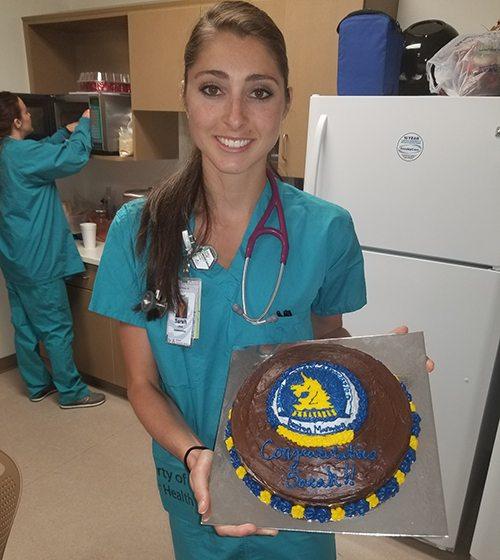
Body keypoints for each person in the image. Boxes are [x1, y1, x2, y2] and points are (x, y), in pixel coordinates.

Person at [89, 2, 433, 558]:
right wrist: (196, 455)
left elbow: (328, 346)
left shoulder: (327, 230)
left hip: (300, 482)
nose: (234, 119)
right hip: (192, 483)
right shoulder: (139, 232)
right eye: (212, 89)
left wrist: (382, 370)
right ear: (185, 94)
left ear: (286, 104)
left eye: (260, 91)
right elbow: (142, 385)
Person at [0, 91, 105, 409]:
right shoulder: (20, 155)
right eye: (25, 111)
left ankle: (36, 385)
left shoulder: (8, 151)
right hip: (39, 259)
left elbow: (38, 153)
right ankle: (72, 392)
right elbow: (72, 159)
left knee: (25, 325)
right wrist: (86, 126)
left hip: (14, 257)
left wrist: (63, 132)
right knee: (56, 327)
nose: (31, 115)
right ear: (17, 121)